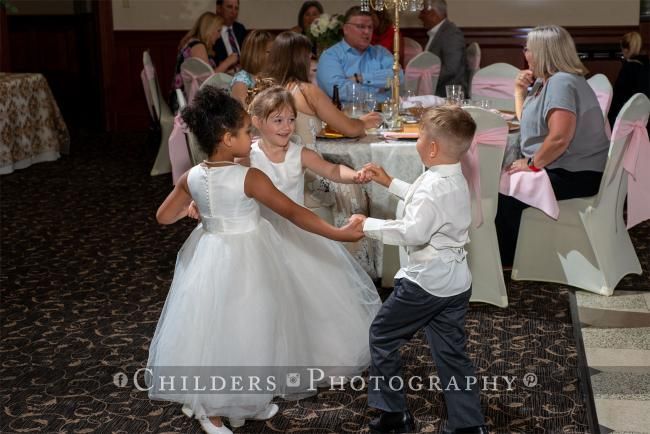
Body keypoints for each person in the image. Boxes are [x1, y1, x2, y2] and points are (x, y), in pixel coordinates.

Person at [147, 87, 364, 434]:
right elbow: (294, 212)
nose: (251, 137)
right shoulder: (250, 177)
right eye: (246, 131)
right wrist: (339, 234)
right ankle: (211, 410)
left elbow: (163, 216)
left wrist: (203, 211)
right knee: (238, 325)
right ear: (226, 137)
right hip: (247, 257)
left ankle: (246, 399)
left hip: (210, 255)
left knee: (235, 327)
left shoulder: (192, 176)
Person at [353, 106, 487, 434]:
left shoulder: (432, 186)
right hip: (455, 283)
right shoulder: (451, 176)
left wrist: (367, 224)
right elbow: (425, 199)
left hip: (426, 283)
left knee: (382, 334)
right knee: (451, 352)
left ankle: (393, 414)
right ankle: (468, 424)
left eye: (419, 134)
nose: (417, 140)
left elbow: (414, 231)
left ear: (432, 147)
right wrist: (389, 182)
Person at [247, 85, 382, 375]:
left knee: (310, 298)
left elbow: (331, 170)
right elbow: (224, 179)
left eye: (290, 120)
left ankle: (312, 355)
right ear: (257, 122)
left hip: (299, 231)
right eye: (277, 120)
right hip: (261, 235)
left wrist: (354, 176)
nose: (286, 127)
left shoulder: (299, 153)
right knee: (263, 299)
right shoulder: (248, 156)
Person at [260, 31, 383, 276]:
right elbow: (348, 127)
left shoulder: (268, 92)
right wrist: (365, 122)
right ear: (300, 59)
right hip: (308, 174)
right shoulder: (306, 91)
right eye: (308, 56)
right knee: (356, 191)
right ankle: (351, 271)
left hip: (272, 174)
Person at [496, 25, 610, 266]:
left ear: (543, 52)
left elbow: (559, 138)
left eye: (528, 49)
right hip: (574, 166)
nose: (525, 54)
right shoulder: (547, 81)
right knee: (504, 178)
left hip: (577, 173)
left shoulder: (561, 82)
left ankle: (512, 258)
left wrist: (532, 163)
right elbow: (529, 122)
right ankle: (517, 252)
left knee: (501, 186)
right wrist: (519, 91)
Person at [317, 6, 401, 103]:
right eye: (361, 26)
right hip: (346, 116)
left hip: (383, 114)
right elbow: (338, 90)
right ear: (346, 29)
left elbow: (399, 77)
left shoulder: (381, 53)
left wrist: (360, 78)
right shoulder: (331, 56)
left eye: (370, 27)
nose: (367, 32)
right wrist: (378, 90)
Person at [170, 12, 238, 110]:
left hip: (180, 98)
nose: (219, 36)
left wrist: (227, 72)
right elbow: (208, 80)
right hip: (186, 104)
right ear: (209, 30)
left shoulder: (191, 42)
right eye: (218, 31)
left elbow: (202, 76)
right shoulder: (198, 46)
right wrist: (227, 62)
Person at [419, 0, 469, 97]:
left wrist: (425, 81)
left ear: (432, 14)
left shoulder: (451, 34)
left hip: (448, 94)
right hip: (436, 92)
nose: (419, 16)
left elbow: (451, 68)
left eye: (422, 12)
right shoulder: (440, 32)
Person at [608, 31, 650, 127]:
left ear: (626, 50)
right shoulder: (646, 67)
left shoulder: (628, 68)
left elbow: (619, 97)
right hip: (644, 119)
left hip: (627, 120)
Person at [230, 30, 275, 106]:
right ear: (256, 54)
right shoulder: (242, 81)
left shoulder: (270, 76)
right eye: (270, 52)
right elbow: (246, 112)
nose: (275, 56)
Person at [213, 0, 247, 72]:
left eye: (236, 8)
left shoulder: (240, 29)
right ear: (219, 8)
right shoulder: (212, 31)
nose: (233, 12)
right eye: (229, 7)